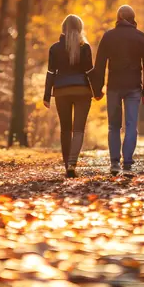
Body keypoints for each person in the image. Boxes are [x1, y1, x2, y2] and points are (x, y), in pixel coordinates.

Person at [91, 5, 144, 176]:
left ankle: (114, 164)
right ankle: (127, 164)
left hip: (114, 87)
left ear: (118, 17)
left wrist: (97, 90)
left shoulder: (109, 36)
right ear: (133, 18)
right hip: (134, 87)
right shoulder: (141, 37)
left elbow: (100, 65)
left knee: (113, 126)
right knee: (131, 126)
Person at [43, 14, 94, 178]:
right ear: (80, 29)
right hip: (82, 91)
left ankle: (67, 167)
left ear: (63, 28)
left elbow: (51, 72)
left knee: (65, 130)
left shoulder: (55, 48)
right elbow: (89, 72)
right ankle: (72, 163)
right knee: (78, 129)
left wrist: (46, 95)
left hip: (61, 91)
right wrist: (96, 90)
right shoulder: (85, 47)